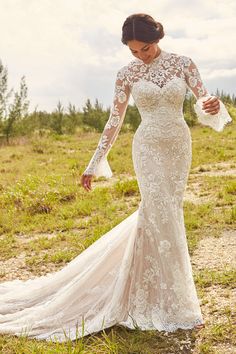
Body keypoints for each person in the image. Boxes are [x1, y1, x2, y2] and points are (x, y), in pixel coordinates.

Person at [0, 13, 232, 342]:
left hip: (179, 146)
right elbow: (115, 120)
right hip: (147, 147)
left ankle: (166, 297)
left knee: (169, 215)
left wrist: (212, 105)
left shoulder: (184, 63)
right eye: (134, 51)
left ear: (158, 38)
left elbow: (204, 98)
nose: (142, 55)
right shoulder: (127, 74)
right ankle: (173, 305)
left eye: (146, 48)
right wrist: (94, 162)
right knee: (157, 211)